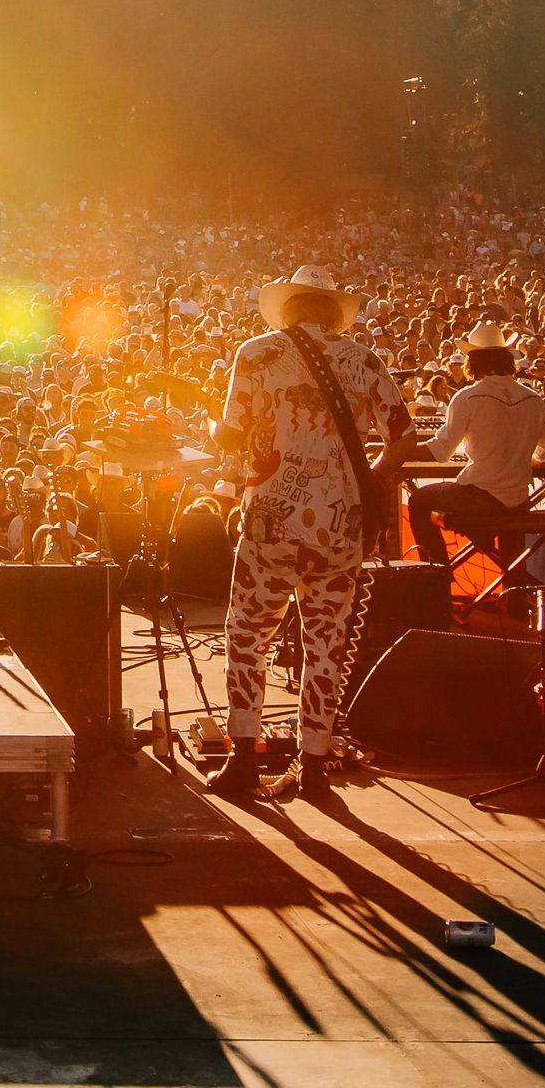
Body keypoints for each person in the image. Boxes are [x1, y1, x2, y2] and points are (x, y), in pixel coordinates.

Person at [208, 265, 410, 799]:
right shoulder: (363, 359)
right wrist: (371, 477)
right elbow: (405, 434)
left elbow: (231, 433)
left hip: (271, 521)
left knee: (248, 636)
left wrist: (213, 431)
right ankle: (315, 766)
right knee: (327, 642)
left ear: (290, 308)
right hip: (341, 527)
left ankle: (244, 761)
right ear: (331, 311)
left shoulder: (255, 353)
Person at [405, 330, 545, 569]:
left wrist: (399, 450)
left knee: (420, 500)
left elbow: (440, 451)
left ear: (473, 362)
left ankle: (438, 577)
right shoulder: (533, 399)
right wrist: (515, 461)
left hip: (480, 498)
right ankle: (516, 594)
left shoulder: (468, 397)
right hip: (518, 499)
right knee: (510, 539)